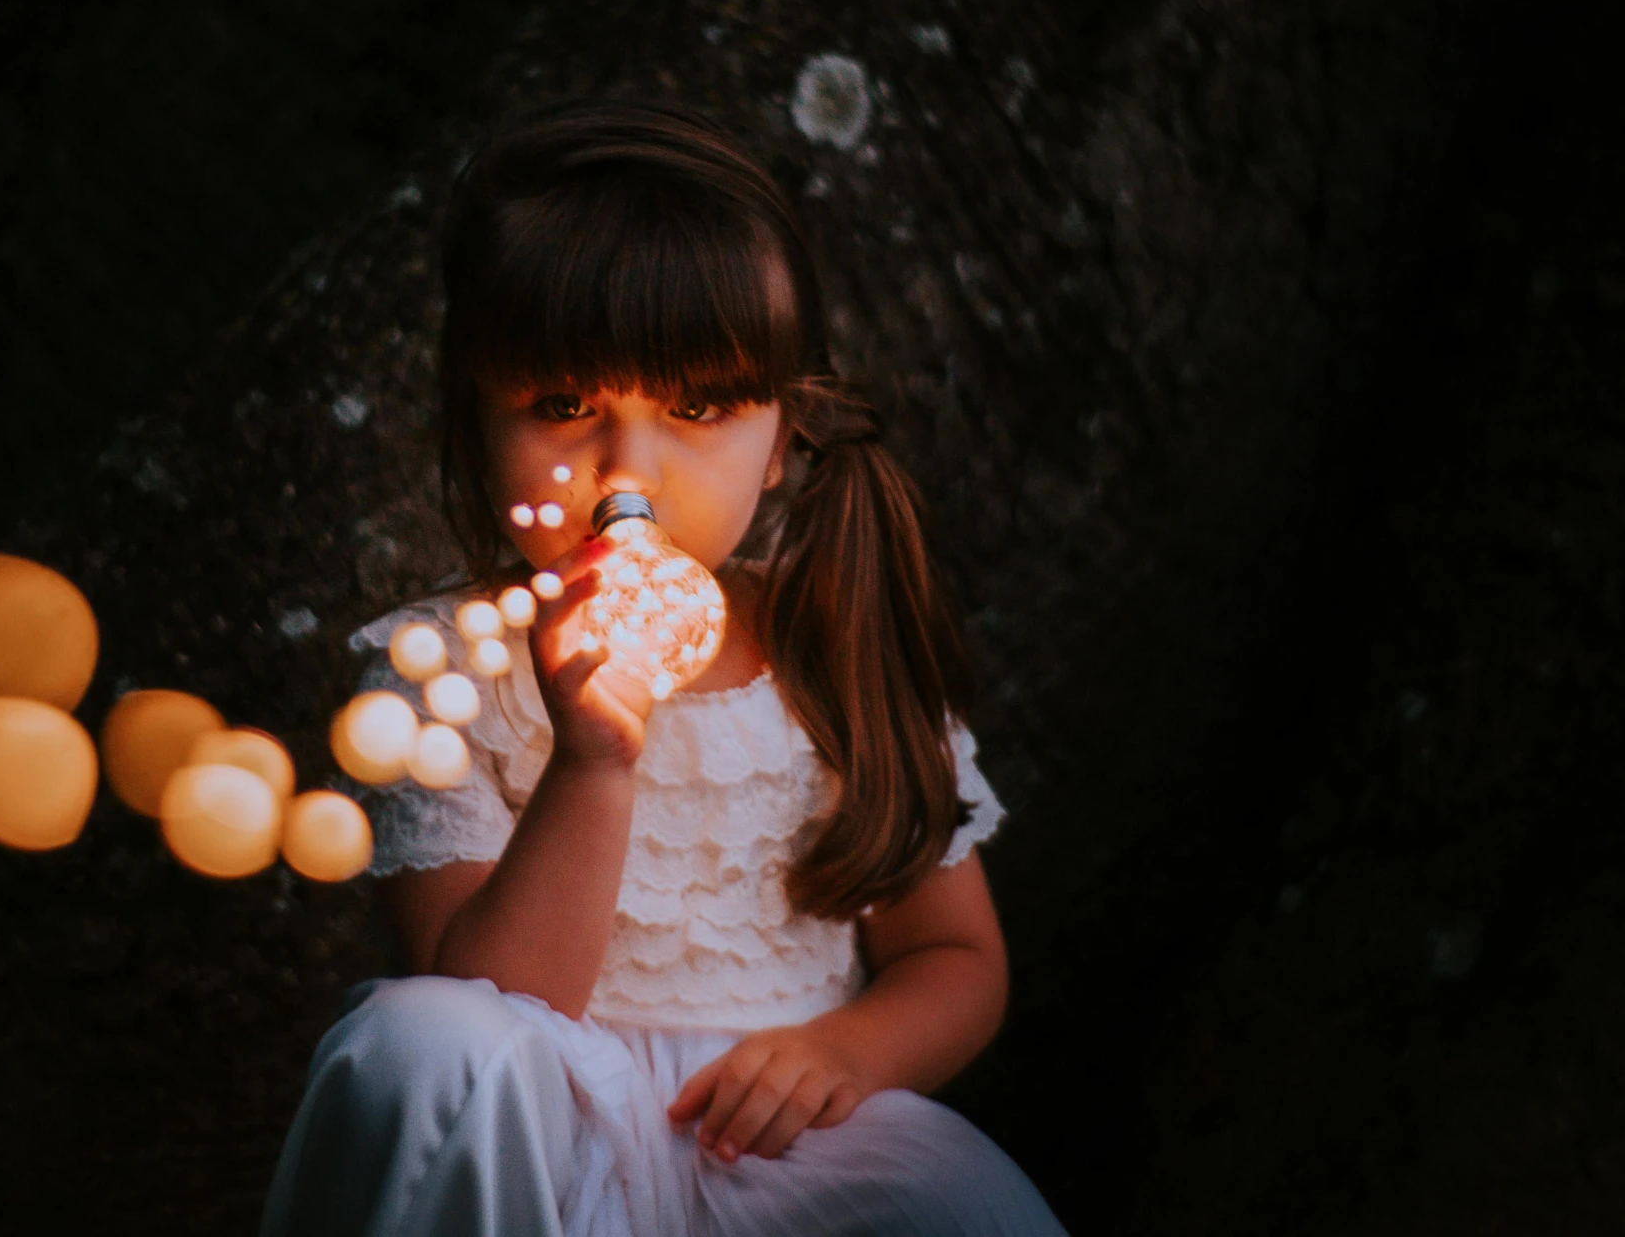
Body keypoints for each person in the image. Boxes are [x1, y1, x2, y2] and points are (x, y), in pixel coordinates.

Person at [260, 98, 1066, 1236]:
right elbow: (490, 1014)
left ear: (782, 435)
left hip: (775, 1150)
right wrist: (591, 760)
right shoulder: (439, 671)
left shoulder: (833, 657)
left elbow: (956, 953)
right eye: (562, 404)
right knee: (416, 1038)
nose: (623, 470)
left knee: (966, 1208)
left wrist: (844, 1047)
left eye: (694, 406)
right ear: (474, 419)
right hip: (539, 1157)